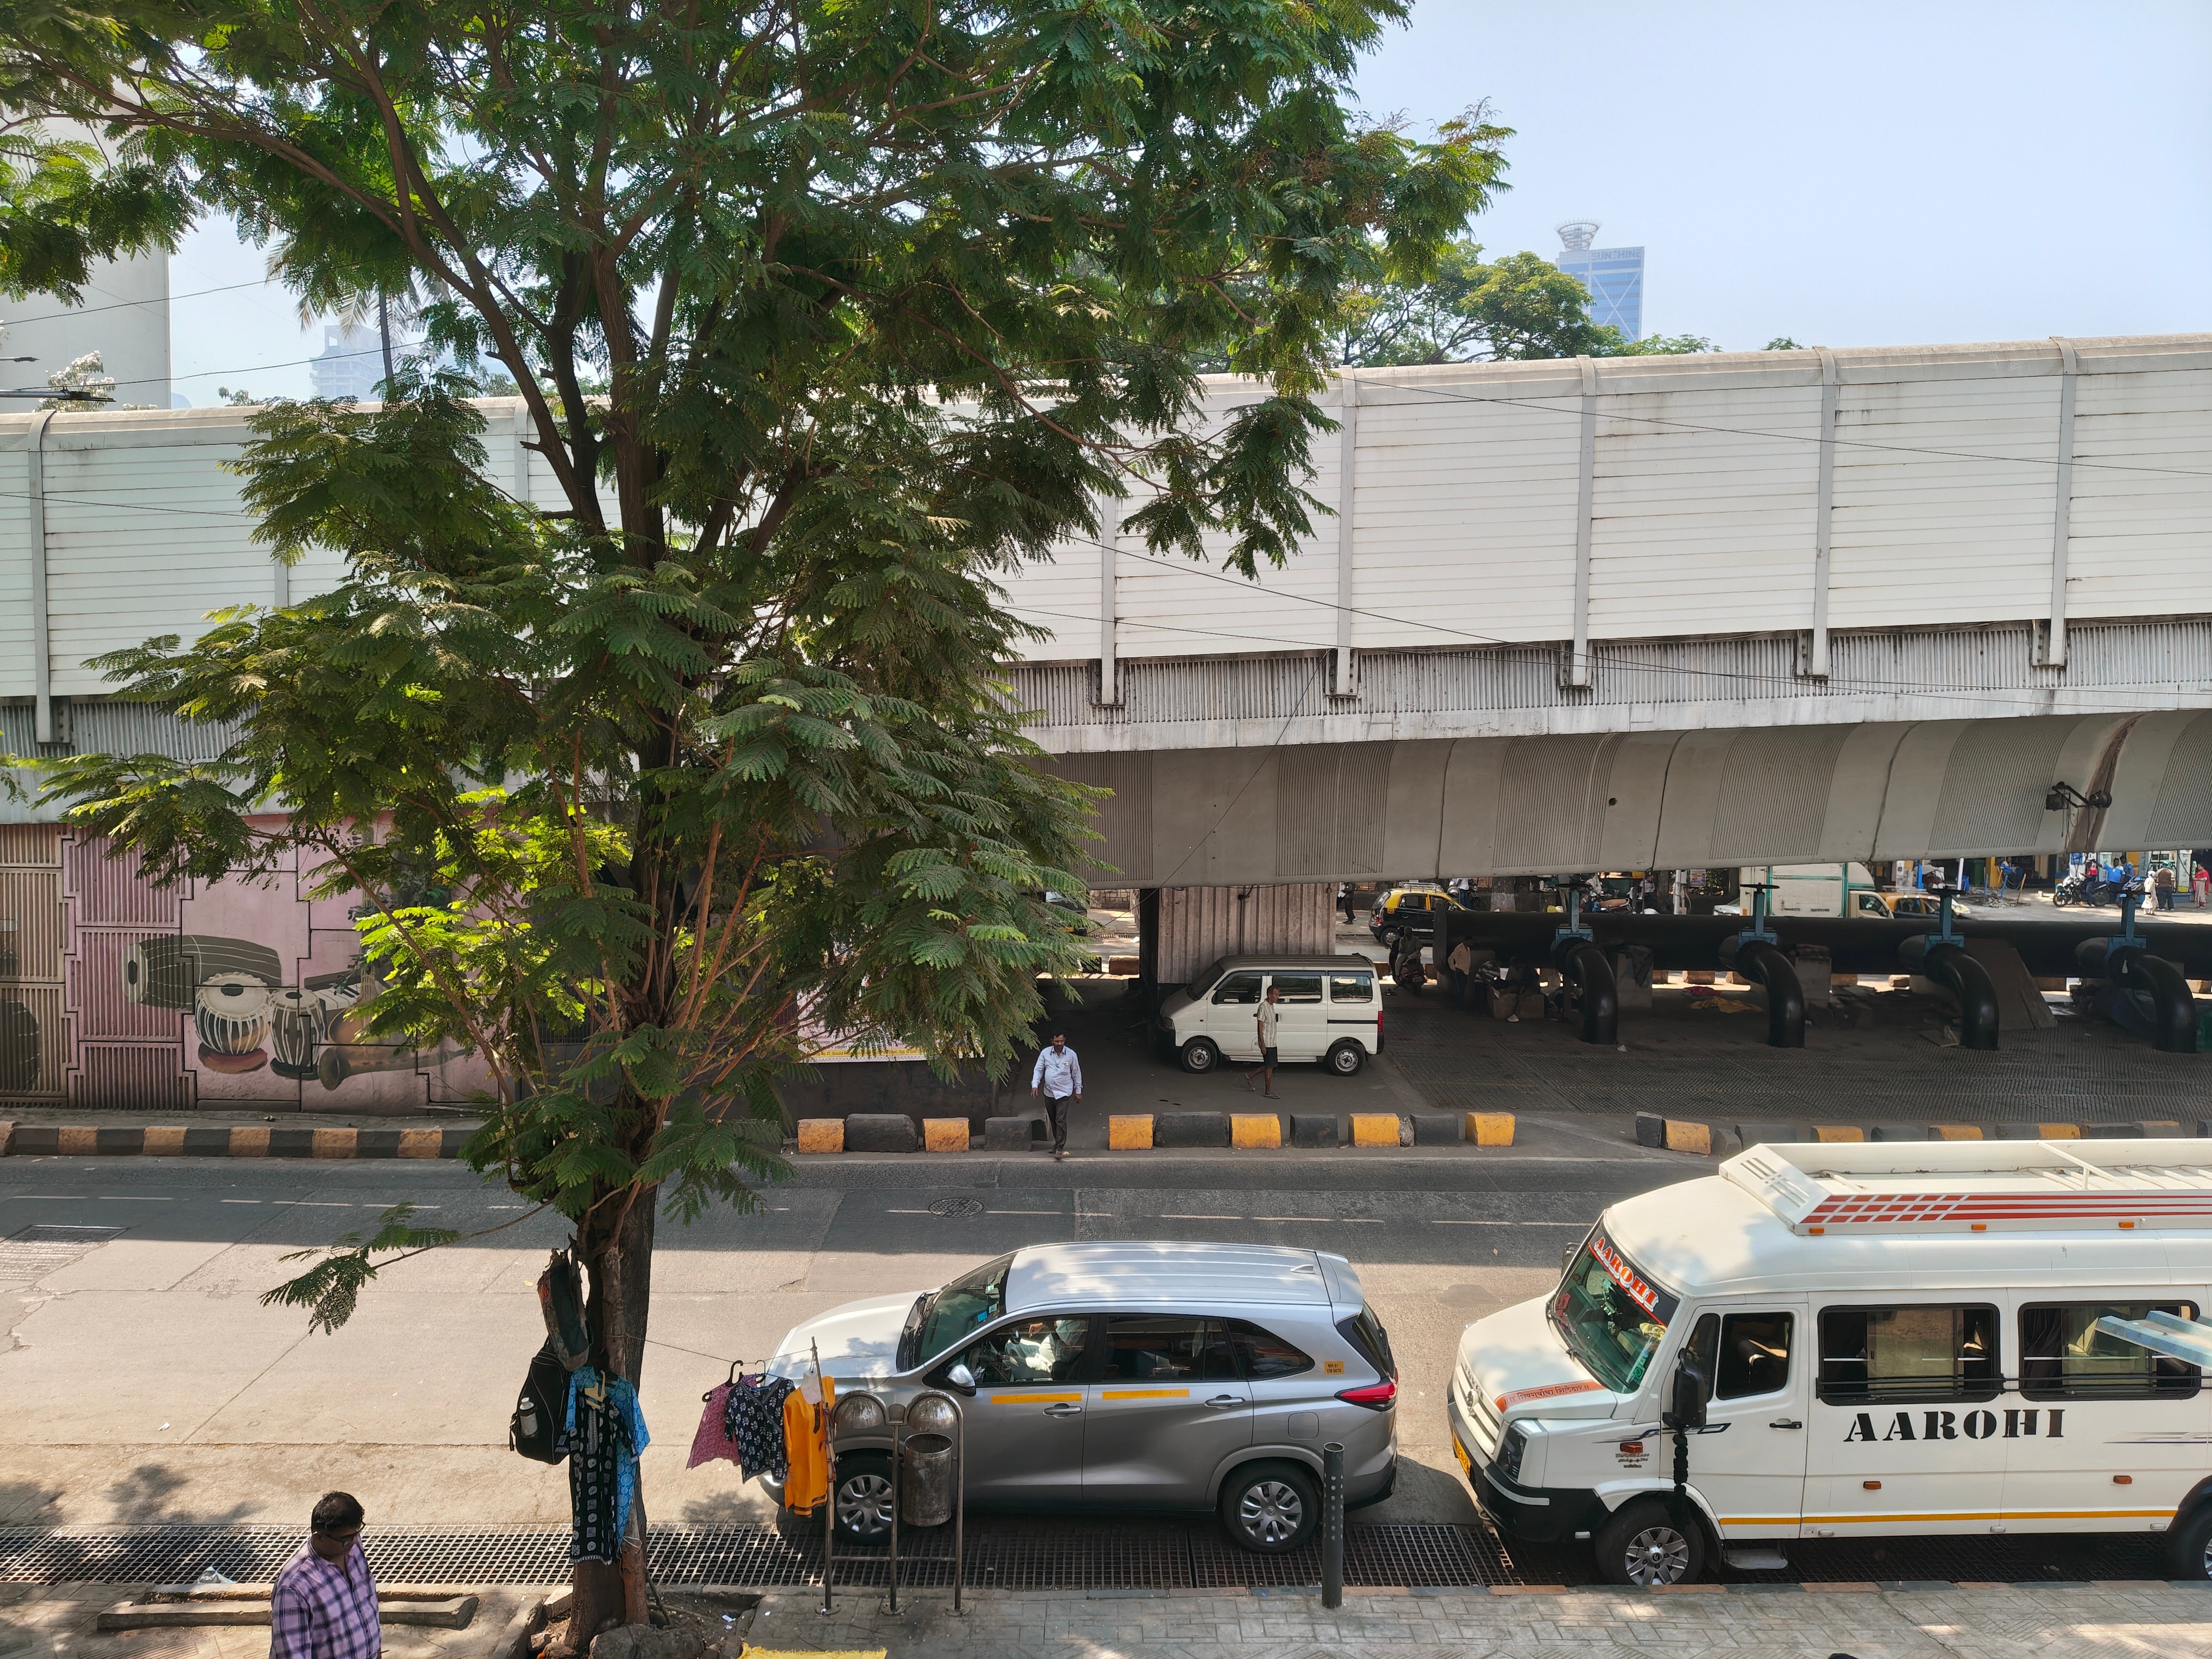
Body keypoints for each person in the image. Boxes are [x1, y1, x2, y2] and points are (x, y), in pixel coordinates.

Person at [271, 1492, 380, 1659]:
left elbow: (367, 1609)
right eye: (346, 1539)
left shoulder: (352, 1547)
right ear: (319, 1538)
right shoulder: (294, 1588)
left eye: (356, 1534)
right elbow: (292, 1654)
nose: (355, 1542)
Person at [1029, 1032, 1082, 1160]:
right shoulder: (1045, 1053)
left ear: (1065, 1041)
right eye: (1057, 1041)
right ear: (1052, 1041)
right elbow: (1039, 1069)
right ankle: (1057, 1144)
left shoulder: (1071, 1055)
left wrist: (1078, 1091)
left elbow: (1076, 1073)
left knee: (1060, 1120)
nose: (1059, 1044)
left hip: (1064, 1092)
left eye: (1062, 1041)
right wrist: (1035, 1085)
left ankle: (1059, 1148)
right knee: (1053, 1120)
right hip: (1049, 1092)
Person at [1244, 983, 1283, 1099]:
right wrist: (1262, 1044)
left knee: (1271, 1065)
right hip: (1267, 1042)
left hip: (1273, 1041)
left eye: (1278, 995)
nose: (1278, 997)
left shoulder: (1271, 1007)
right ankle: (1268, 1092)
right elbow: (1260, 1028)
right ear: (1270, 995)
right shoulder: (1263, 1007)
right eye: (1276, 995)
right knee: (1269, 1067)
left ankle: (1251, 1075)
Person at [1447, 938, 1473, 1009]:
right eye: (1470, 942)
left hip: (1465, 971)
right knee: (1461, 989)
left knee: (1463, 989)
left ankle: (1461, 1004)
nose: (1472, 943)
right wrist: (1454, 968)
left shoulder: (1468, 949)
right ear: (1466, 941)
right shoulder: (1459, 949)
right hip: (1460, 971)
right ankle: (1460, 1005)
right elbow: (1450, 959)